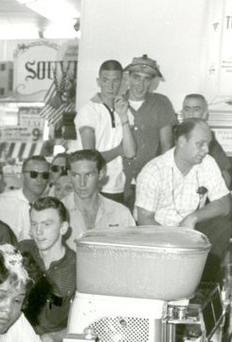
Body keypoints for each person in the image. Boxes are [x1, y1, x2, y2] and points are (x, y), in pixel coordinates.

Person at [135, 119, 231, 228]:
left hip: (192, 230)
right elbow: (144, 220)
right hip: (160, 235)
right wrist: (176, 238)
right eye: (200, 144)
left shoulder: (207, 163)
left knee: (223, 226)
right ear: (182, 141)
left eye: (208, 144)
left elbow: (225, 204)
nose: (207, 150)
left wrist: (193, 217)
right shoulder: (153, 172)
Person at [180, 94, 232, 281]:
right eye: (187, 109)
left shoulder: (210, 142)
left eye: (196, 109)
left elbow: (224, 178)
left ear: (206, 114)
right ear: (181, 113)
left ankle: (206, 281)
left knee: (222, 226)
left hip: (201, 206)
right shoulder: (172, 135)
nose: (191, 113)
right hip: (172, 208)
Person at [73, 60, 136, 204]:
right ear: (98, 81)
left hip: (117, 186)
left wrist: (124, 118)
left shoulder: (125, 110)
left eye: (116, 80)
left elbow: (131, 152)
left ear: (123, 81)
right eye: (106, 80)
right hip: (93, 187)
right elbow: (90, 159)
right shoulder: (88, 111)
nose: (111, 86)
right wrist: (119, 149)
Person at [17, 196, 76, 342]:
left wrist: (52, 337)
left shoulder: (76, 268)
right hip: (16, 341)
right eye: (34, 224)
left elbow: (85, 323)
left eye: (47, 224)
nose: (38, 231)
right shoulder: (22, 251)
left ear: (63, 228)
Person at [122, 54, 176, 210]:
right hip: (118, 181)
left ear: (152, 82)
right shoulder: (117, 102)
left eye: (146, 79)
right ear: (128, 78)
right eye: (136, 77)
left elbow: (166, 144)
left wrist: (162, 178)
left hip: (149, 182)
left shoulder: (161, 103)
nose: (140, 84)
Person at [62, 149, 135, 250]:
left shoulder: (120, 213)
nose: (82, 183)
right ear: (69, 175)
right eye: (76, 175)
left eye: (89, 175)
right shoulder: (58, 212)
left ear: (101, 174)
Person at [0, 155, 50, 241]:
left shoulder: (51, 208)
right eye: (34, 174)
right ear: (22, 176)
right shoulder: (1, 204)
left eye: (45, 175)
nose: (39, 179)